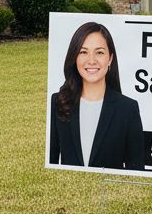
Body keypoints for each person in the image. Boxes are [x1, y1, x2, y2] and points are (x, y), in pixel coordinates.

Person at [49, 21, 145, 169]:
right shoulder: (57, 102)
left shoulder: (128, 109)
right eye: (83, 52)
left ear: (110, 58)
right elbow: (50, 164)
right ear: (75, 57)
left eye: (99, 52)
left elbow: (136, 171)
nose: (91, 61)